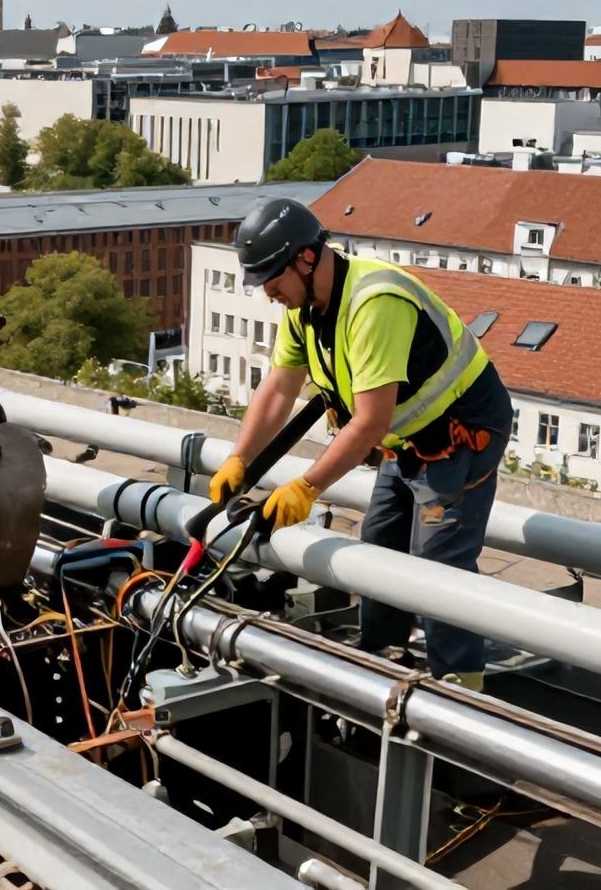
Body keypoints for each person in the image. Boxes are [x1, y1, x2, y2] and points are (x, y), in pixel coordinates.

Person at [211, 198, 512, 688]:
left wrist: (306, 487)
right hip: (408, 439)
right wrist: (239, 459)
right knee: (378, 544)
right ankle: (383, 657)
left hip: (460, 435)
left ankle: (461, 687)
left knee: (438, 563)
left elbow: (368, 423)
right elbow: (279, 389)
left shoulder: (373, 303)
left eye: (271, 278)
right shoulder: (305, 308)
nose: (268, 293)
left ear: (307, 259)